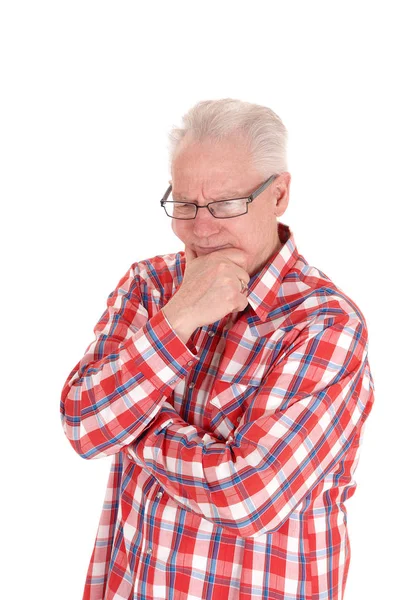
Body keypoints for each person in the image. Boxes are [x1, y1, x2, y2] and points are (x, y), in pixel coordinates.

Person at [60, 98, 375, 600]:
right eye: (184, 203)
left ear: (278, 195)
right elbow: (83, 427)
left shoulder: (325, 324)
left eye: (225, 204)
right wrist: (179, 316)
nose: (200, 228)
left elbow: (248, 496)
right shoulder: (149, 285)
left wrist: (133, 426)